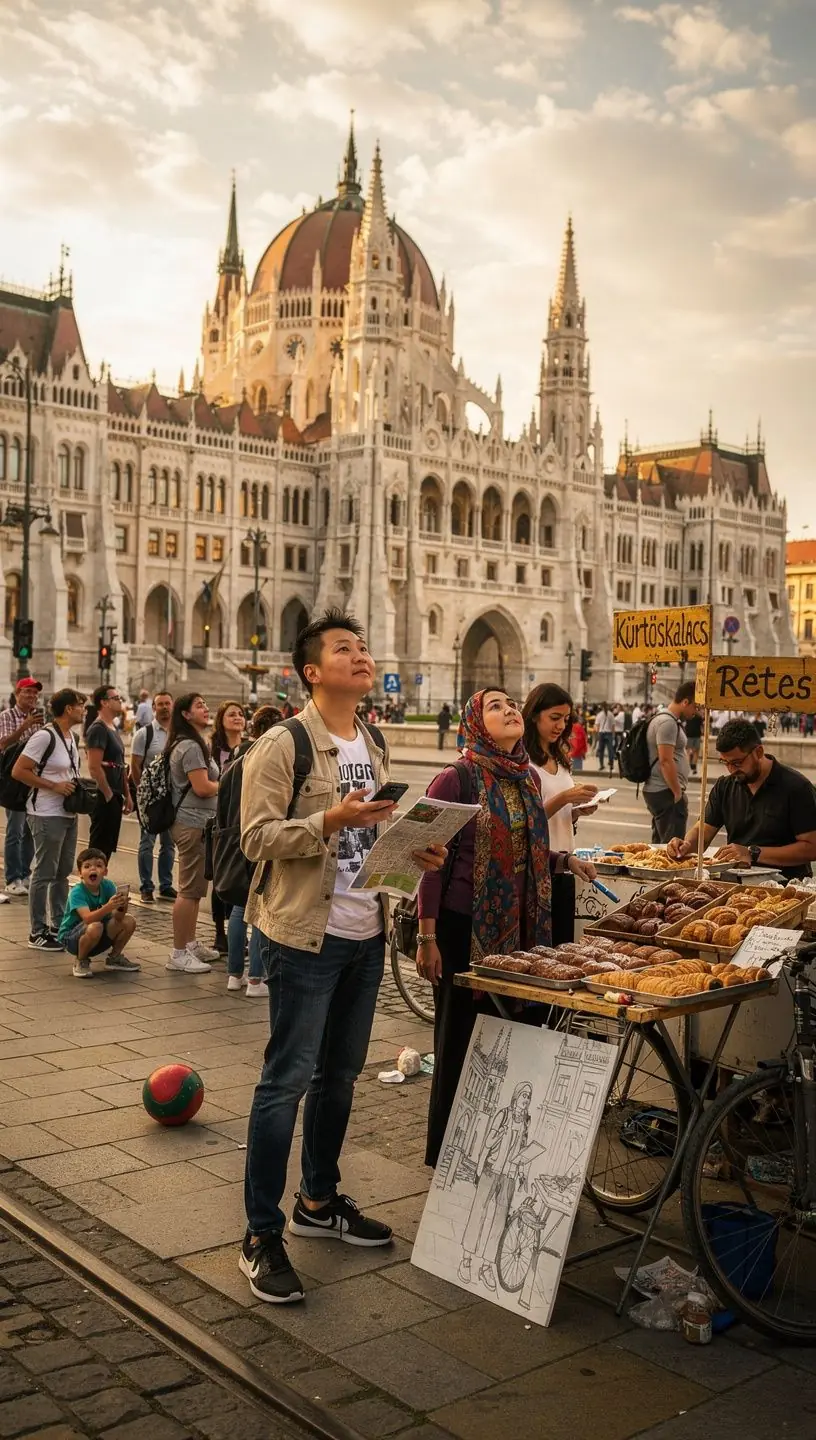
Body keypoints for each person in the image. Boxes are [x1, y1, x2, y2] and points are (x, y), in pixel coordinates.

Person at [238, 607, 446, 1304]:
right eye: (344, 648)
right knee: (285, 1082)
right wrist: (328, 819)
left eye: (363, 646)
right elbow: (256, 839)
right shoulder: (282, 744)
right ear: (311, 670)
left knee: (340, 1078)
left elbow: (369, 846)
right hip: (303, 935)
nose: (361, 656)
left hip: (363, 933)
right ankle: (260, 1234)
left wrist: (416, 854)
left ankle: (318, 1203)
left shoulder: (373, 741)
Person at [416, 688, 596, 1168]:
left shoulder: (526, 780)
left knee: (515, 1038)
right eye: (495, 706)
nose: (510, 709)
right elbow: (430, 864)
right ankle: (450, 1158)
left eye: (512, 703)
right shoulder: (455, 779)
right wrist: (427, 936)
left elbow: (527, 847)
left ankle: (502, 1151)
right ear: (476, 721)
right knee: (460, 1042)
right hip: (462, 930)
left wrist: (563, 860)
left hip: (520, 928)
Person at [668, 718, 816, 880]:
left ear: (758, 752)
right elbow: (702, 831)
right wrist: (686, 845)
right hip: (735, 883)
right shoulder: (725, 786)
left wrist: (753, 853)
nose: (731, 770)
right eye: (725, 762)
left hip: (786, 886)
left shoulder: (796, 787)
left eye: (737, 763)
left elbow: (812, 847)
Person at [522, 684, 599, 945]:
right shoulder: (523, 762)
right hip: (537, 869)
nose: (560, 726)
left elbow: (557, 816)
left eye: (565, 720)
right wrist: (565, 798)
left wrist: (576, 811)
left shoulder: (559, 757)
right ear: (534, 715)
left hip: (566, 864)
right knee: (539, 949)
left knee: (562, 946)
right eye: (554, 718)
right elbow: (524, 819)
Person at [11, 688, 86, 951]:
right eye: (80, 705)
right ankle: (37, 931)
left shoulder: (71, 736)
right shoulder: (44, 736)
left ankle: (58, 925)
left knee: (63, 872)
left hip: (68, 812)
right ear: (68, 709)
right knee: (43, 872)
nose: (83, 710)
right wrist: (52, 786)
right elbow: (19, 770)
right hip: (45, 812)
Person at [222, 705, 283, 1000]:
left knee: (238, 907)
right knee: (260, 909)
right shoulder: (268, 754)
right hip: (260, 832)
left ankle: (235, 974)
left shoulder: (239, 753)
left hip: (236, 833)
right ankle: (256, 979)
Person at [166, 693, 221, 973]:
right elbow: (202, 787)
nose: (205, 708)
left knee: (196, 888)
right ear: (185, 715)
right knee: (188, 889)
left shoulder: (191, 743)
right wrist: (227, 785)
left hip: (197, 821)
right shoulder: (189, 746)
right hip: (192, 822)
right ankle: (178, 952)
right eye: (199, 705)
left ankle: (189, 942)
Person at [58, 847, 139, 978]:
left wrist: (121, 905)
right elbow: (88, 919)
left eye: (98, 865)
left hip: (97, 934)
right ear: (80, 873)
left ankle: (114, 958)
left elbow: (118, 918)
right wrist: (108, 906)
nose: (93, 869)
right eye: (87, 866)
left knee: (129, 921)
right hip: (72, 938)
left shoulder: (108, 886)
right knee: (96, 925)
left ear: (105, 871)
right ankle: (81, 960)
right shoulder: (77, 892)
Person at [210, 701, 249, 954]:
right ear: (221, 720)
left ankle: (239, 934)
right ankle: (219, 932)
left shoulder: (250, 747)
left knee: (240, 877)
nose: (237, 717)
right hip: (219, 819)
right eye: (231, 714)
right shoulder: (212, 751)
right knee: (219, 877)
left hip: (243, 818)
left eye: (241, 714)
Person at [130, 691, 176, 904]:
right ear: (154, 708)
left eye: (168, 703)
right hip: (151, 799)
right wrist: (142, 791)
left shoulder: (178, 733)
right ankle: (146, 886)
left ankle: (166, 885)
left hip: (173, 799)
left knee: (169, 845)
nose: (165, 707)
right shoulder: (144, 734)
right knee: (147, 843)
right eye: (160, 704)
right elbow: (135, 765)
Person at [0, 676, 44, 896]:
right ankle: (12, 878)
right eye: (27, 692)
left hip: (33, 781)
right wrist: (24, 727)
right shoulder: (6, 717)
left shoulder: (39, 720)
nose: (32, 697)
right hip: (13, 781)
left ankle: (25, 874)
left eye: (35, 693)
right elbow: (2, 744)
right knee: (15, 830)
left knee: (29, 831)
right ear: (17, 694)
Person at [642, 681, 699, 844]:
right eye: (695, 706)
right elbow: (665, 760)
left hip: (661, 789)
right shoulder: (667, 723)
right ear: (685, 702)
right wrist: (677, 792)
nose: (696, 711)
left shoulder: (665, 719)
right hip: (665, 790)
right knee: (672, 848)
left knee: (660, 846)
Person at [86, 685, 131, 859]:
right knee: (98, 846)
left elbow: (120, 764)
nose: (120, 701)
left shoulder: (112, 727)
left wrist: (127, 794)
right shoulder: (98, 728)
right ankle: (90, 884)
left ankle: (100, 883)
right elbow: (94, 766)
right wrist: (108, 795)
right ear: (104, 702)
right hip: (105, 795)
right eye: (116, 698)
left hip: (116, 793)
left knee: (108, 845)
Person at [594, 705, 615, 773]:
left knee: (601, 750)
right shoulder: (611, 714)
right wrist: (613, 735)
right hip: (609, 734)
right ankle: (611, 765)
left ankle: (601, 765)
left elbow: (597, 725)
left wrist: (597, 734)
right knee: (610, 750)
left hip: (601, 733)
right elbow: (613, 726)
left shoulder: (599, 714)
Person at [685, 708, 703, 775]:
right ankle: (694, 767)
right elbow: (701, 726)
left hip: (689, 735)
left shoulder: (688, 716)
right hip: (696, 735)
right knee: (696, 752)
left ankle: (688, 767)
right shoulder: (699, 716)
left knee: (688, 752)